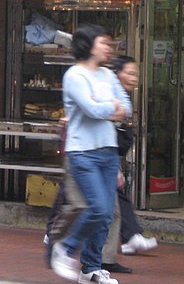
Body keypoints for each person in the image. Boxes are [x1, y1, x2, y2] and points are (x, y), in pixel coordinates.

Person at [50, 24, 132, 284]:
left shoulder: (108, 75)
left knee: (106, 214)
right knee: (97, 208)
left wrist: (108, 107)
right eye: (103, 42)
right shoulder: (74, 75)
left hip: (108, 152)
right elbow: (91, 110)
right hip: (83, 152)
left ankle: (91, 268)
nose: (108, 47)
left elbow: (126, 107)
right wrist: (111, 107)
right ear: (88, 45)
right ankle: (64, 249)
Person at [108, 56, 158, 258]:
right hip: (97, 151)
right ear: (117, 73)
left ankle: (130, 238)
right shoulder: (109, 90)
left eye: (135, 74)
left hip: (108, 152)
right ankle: (57, 236)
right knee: (76, 196)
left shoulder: (122, 94)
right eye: (129, 73)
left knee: (110, 195)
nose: (133, 78)